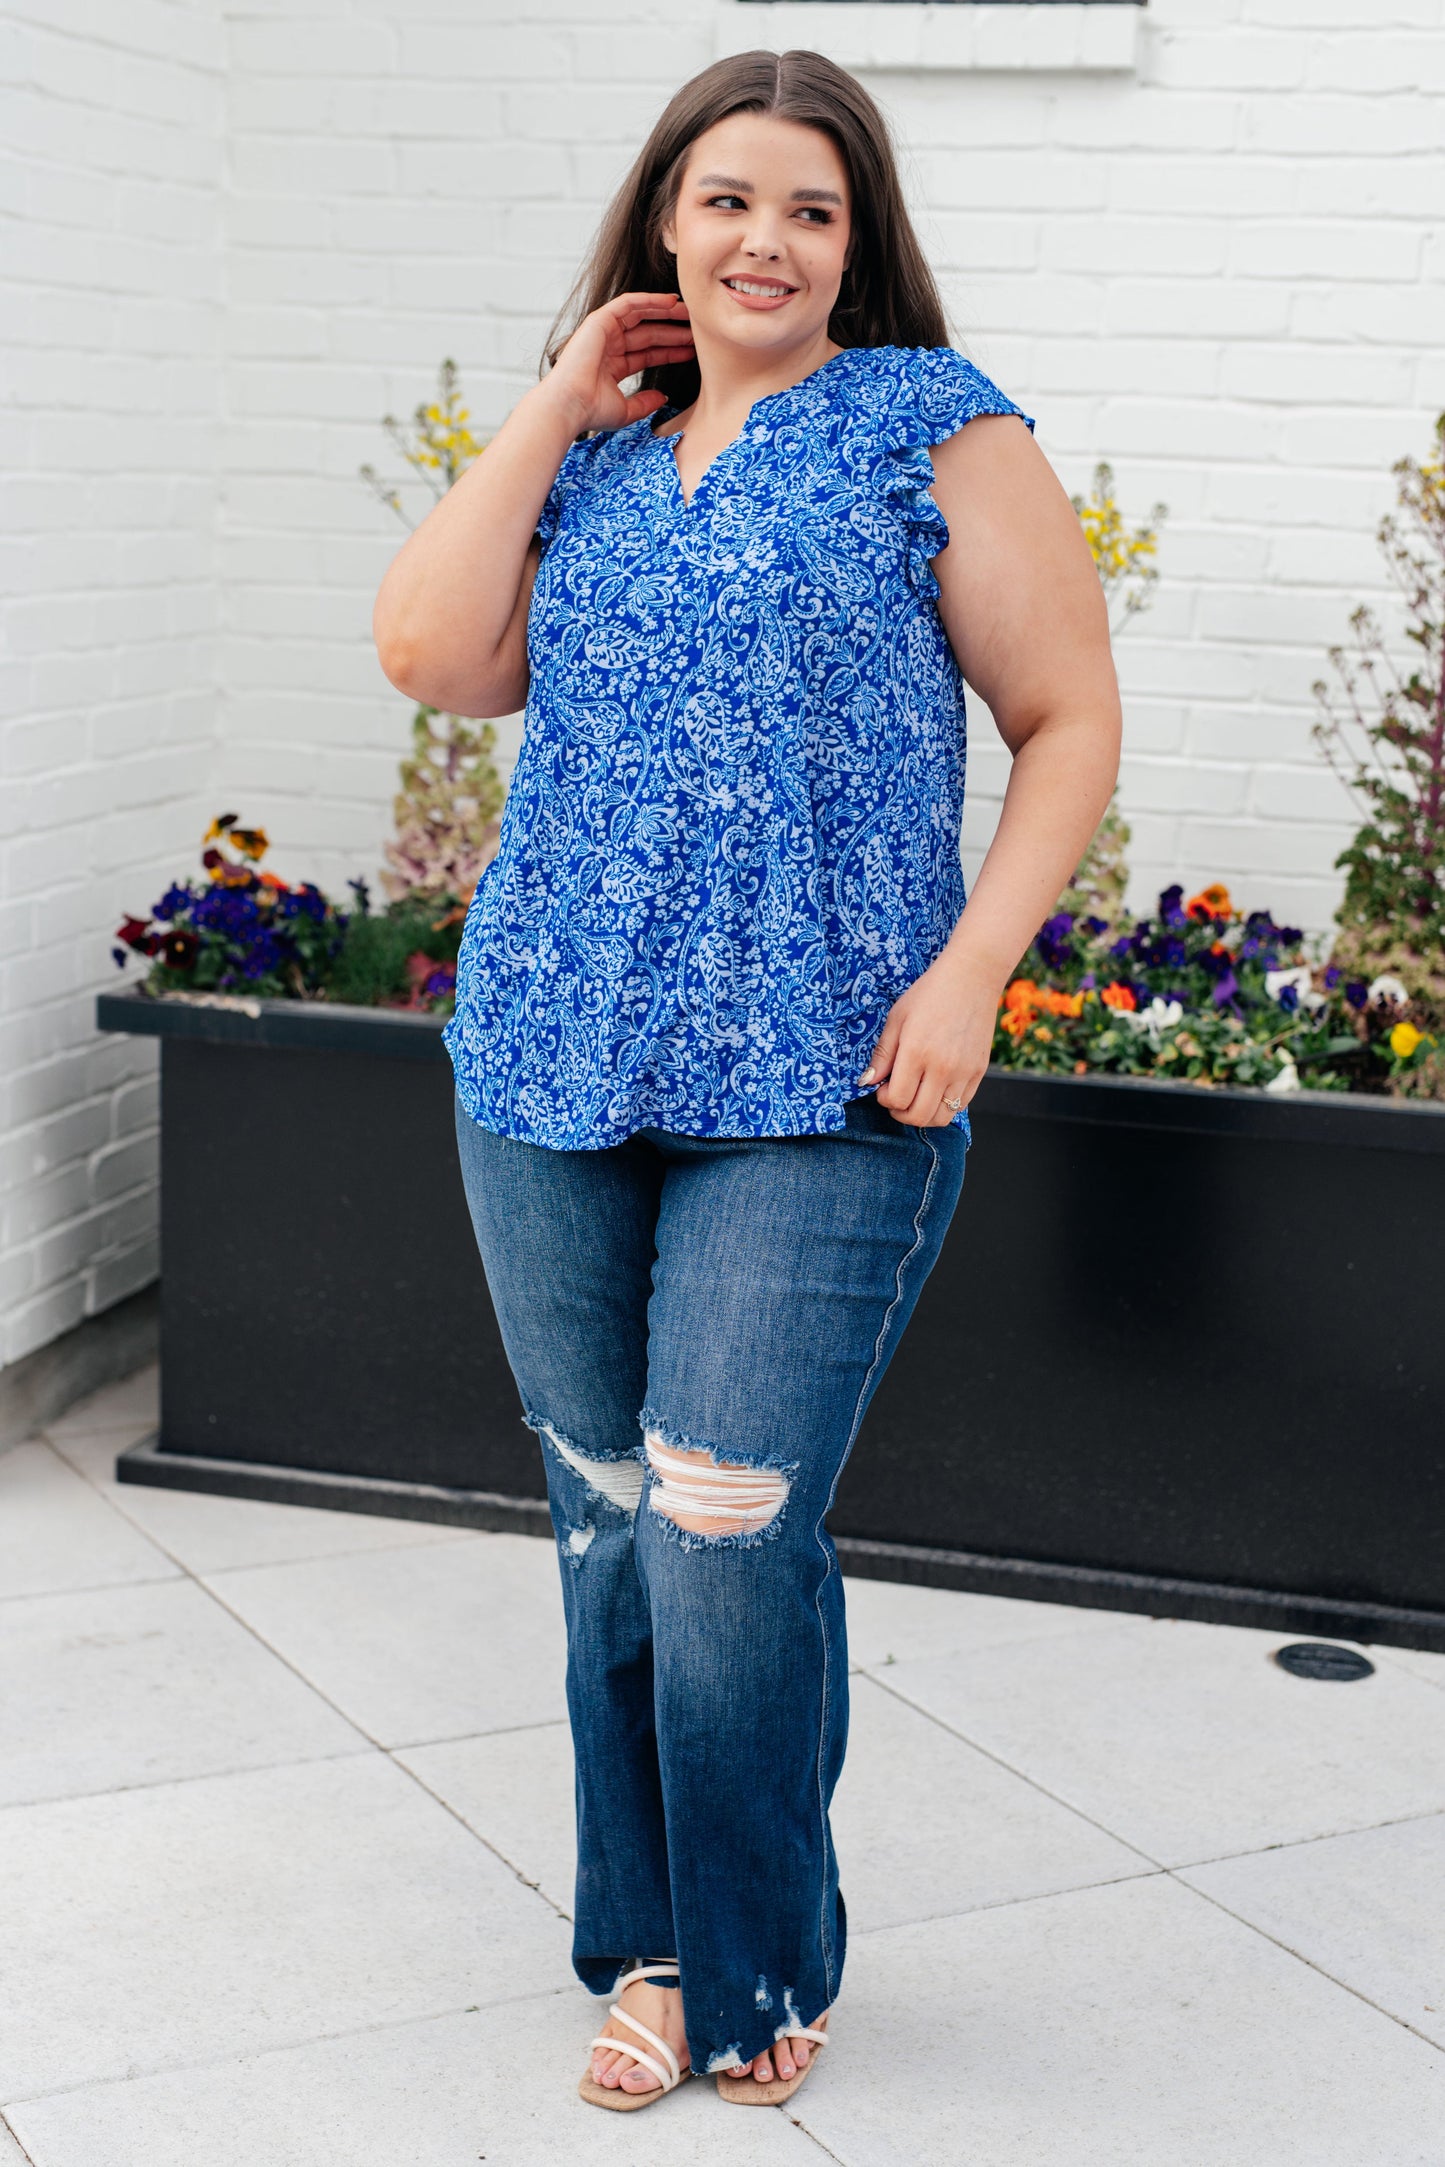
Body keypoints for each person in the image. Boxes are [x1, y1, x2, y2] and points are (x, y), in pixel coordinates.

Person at [374, 47, 1120, 2113]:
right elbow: (433, 656)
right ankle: (666, 1936)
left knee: (724, 1527)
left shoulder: (935, 433)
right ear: (660, 229)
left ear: (858, 240)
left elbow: (1066, 715)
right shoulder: (596, 463)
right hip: (548, 1060)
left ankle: (746, 1944)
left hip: (825, 1080)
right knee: (610, 1523)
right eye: (723, 201)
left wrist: (974, 970)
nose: (761, 241)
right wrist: (551, 400)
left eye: (807, 207)